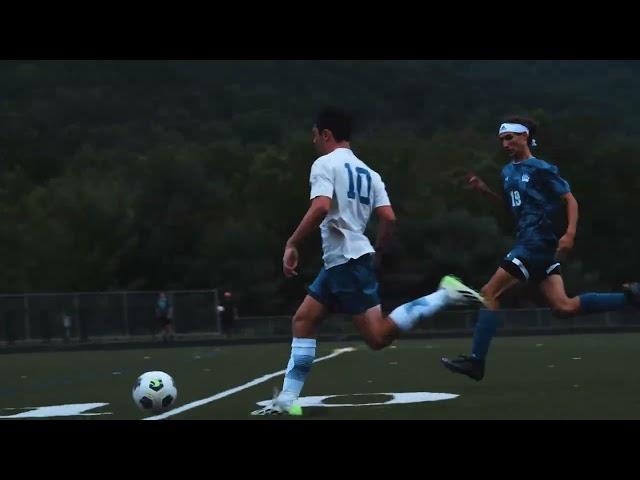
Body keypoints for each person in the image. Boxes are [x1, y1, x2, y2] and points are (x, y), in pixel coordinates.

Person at [257, 106, 484, 415]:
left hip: (346, 261)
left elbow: (321, 207)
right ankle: (287, 401)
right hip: (345, 261)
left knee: (377, 337)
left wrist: (293, 242)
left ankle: (444, 294)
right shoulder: (369, 172)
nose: (313, 142)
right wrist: (377, 250)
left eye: (314, 136)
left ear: (326, 135)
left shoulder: (324, 164)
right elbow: (388, 218)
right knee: (303, 320)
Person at [441, 116, 640, 381]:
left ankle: (476, 362)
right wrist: (485, 192)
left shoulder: (541, 168)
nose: (505, 143)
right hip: (529, 241)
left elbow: (570, 200)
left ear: (524, 136)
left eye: (510, 137)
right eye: (502, 139)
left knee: (489, 293)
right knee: (563, 307)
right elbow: (513, 210)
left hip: (536, 243)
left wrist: (569, 233)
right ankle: (632, 298)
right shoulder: (507, 172)